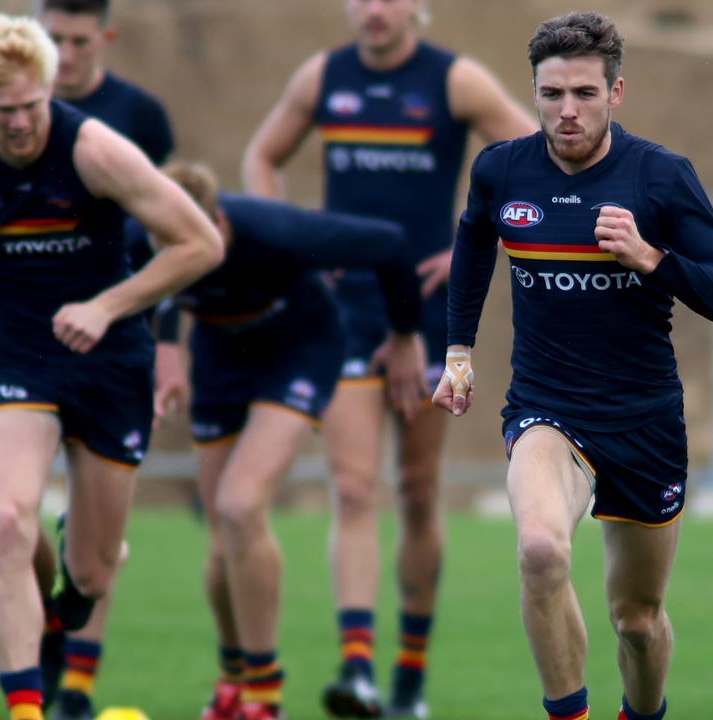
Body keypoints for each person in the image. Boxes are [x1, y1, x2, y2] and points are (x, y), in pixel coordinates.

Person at [0, 14, 221, 720]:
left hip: (108, 362)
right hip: (16, 357)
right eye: (3, 111)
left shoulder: (94, 148)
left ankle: (75, 575)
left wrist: (108, 306)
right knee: (7, 522)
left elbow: (198, 243)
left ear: (49, 92)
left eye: (31, 108)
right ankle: (27, 709)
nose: (18, 125)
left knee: (90, 579)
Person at [433, 12, 713, 720]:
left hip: (644, 421)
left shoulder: (660, 177)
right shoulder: (502, 168)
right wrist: (458, 351)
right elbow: (471, 246)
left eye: (584, 93)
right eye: (552, 94)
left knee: (637, 622)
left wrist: (652, 259)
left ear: (617, 91)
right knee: (542, 551)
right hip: (548, 410)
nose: (567, 111)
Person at [241, 0, 535, 715]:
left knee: (419, 490)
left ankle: (409, 677)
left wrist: (469, 246)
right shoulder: (323, 76)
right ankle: (359, 669)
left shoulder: (455, 81)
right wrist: (292, 243)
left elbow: (534, 160)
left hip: (436, 316)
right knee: (351, 487)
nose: (373, 9)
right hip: (347, 312)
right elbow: (262, 157)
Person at [126, 162, 425, 720]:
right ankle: (232, 681)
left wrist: (405, 335)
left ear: (217, 223)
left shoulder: (276, 231)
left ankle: (265, 697)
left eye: (185, 241)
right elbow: (149, 293)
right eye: (160, 241)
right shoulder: (137, 236)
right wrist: (165, 347)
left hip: (300, 347)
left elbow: (389, 244)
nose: (171, 253)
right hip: (220, 356)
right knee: (222, 537)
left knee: (240, 505)